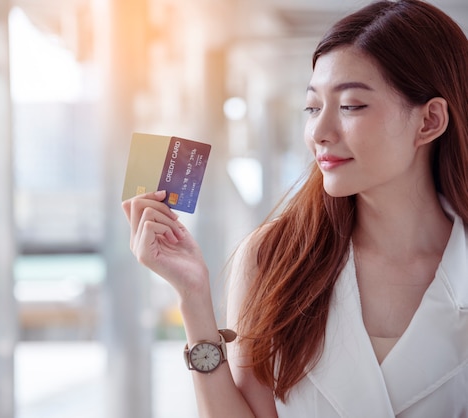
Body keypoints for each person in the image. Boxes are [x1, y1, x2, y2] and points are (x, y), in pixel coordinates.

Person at [122, 0, 468, 416]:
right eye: (313, 107)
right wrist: (193, 297)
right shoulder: (273, 256)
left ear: (429, 121)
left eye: (350, 106)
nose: (319, 132)